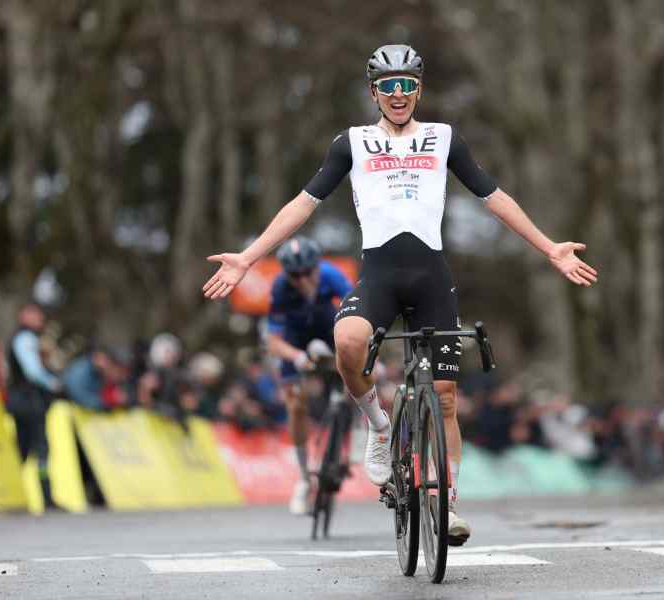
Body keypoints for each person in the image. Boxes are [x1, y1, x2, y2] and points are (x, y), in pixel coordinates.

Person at [203, 44, 597, 545]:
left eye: (406, 84)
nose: (397, 94)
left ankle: (447, 504)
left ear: (419, 89)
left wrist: (550, 250)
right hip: (379, 277)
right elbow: (302, 205)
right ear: (373, 92)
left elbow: (494, 198)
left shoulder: (443, 138)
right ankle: (379, 424)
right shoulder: (352, 142)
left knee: (448, 399)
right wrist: (249, 256)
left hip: (431, 276)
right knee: (347, 342)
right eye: (387, 86)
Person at [265, 236, 352, 514]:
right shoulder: (280, 288)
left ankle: (348, 443)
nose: (302, 280)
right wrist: (296, 357)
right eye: (295, 275)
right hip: (296, 343)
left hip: (329, 331)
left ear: (317, 266)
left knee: (355, 379)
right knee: (295, 403)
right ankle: (304, 477)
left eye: (307, 273)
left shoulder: (332, 275)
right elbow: (273, 341)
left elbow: (358, 314)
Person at [6, 302, 63, 510]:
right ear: (24, 315)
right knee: (41, 449)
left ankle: (9, 494)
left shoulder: (27, 338)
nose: (40, 320)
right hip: (29, 401)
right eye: (36, 315)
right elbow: (32, 371)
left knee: (23, 449)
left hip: (22, 401)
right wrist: (52, 383)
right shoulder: (25, 339)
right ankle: (46, 497)